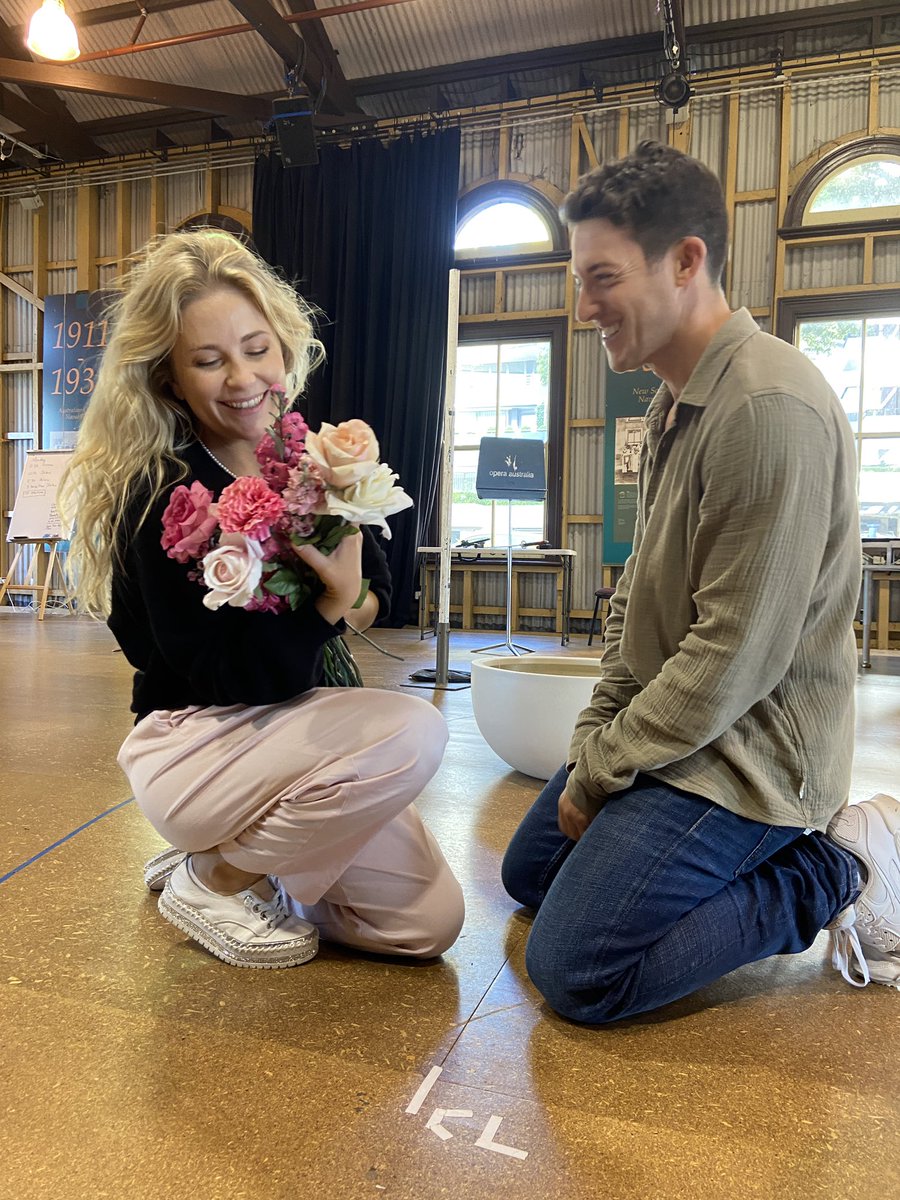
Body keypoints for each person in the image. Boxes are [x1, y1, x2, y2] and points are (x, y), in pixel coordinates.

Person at [501, 140, 900, 1023]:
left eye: (602, 278)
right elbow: (639, 602)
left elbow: (732, 658)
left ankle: (835, 868)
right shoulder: (676, 400)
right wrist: (596, 738)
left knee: (577, 972)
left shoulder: (767, 410)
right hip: (689, 727)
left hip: (752, 756)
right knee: (528, 874)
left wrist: (599, 775)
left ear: (686, 262)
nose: (581, 307)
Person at [61, 229, 464, 969]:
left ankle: (250, 855)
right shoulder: (162, 494)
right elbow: (223, 673)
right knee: (413, 732)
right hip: (196, 738)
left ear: (285, 347)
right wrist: (327, 602)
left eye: (256, 349)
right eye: (208, 360)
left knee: (425, 926)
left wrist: (346, 596)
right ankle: (210, 876)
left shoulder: (303, 454)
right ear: (170, 379)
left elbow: (377, 592)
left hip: (296, 732)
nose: (241, 377)